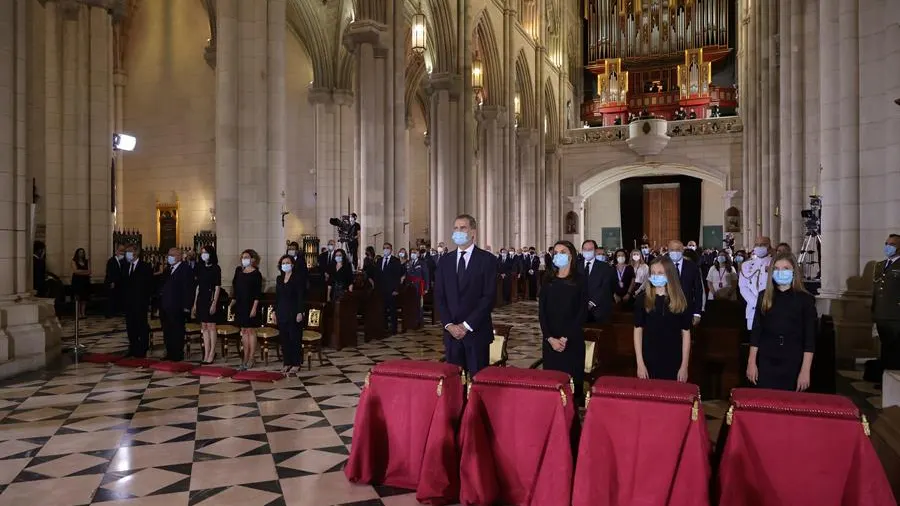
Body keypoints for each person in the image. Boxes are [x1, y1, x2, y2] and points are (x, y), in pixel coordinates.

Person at [434, 214, 497, 376]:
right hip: (451, 335)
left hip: (476, 333)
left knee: (477, 383)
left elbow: (488, 297)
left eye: (463, 228)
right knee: (454, 383)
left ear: (473, 232)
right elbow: (440, 296)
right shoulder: (445, 261)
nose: (458, 231)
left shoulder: (487, 260)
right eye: (456, 228)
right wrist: (449, 325)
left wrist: (466, 325)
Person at [746, 253, 817, 391]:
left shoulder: (805, 300)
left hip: (793, 359)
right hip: (767, 358)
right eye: (776, 269)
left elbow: (810, 340)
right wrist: (751, 362)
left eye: (785, 268)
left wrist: (805, 370)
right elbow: (756, 332)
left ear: (793, 271)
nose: (780, 272)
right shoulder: (764, 296)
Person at [539, 240, 588, 402]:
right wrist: (549, 338)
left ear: (571, 256)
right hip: (550, 341)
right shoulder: (548, 280)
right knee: (553, 388)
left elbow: (581, 313)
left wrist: (565, 337)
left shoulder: (580, 280)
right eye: (556, 253)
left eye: (563, 252)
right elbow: (542, 313)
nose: (559, 255)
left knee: (572, 389)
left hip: (571, 341)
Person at [633, 257, 693, 381]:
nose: (656, 276)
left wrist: (684, 366)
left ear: (669, 274)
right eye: (653, 273)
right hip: (649, 357)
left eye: (660, 273)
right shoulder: (642, 299)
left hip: (673, 357)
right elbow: (638, 331)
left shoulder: (681, 300)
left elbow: (686, 333)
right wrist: (640, 363)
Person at [159, 248, 194, 361]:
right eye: (168, 255)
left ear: (179, 256)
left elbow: (188, 289)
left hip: (178, 306)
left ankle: (177, 354)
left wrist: (187, 306)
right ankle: (169, 352)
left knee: (177, 331)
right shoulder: (168, 269)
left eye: (172, 255)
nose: (169, 257)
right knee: (167, 331)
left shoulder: (185, 269)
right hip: (166, 306)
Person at [230, 249, 263, 370]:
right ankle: (245, 357)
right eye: (243, 257)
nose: (244, 259)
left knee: (251, 331)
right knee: (243, 331)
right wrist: (232, 302)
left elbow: (257, 294)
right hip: (240, 305)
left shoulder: (256, 274)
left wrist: (254, 308)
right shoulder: (239, 271)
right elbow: (235, 287)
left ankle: (251, 357)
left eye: (247, 257)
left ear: (253, 259)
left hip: (251, 305)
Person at [274, 254, 306, 374]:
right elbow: (277, 297)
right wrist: (274, 312)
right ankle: (287, 362)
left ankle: (296, 363)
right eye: (283, 263)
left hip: (294, 311)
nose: (285, 265)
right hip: (282, 311)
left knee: (295, 338)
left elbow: (300, 296)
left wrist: (300, 312)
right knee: (284, 339)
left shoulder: (297, 278)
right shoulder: (279, 278)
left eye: (287, 263)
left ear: (292, 264)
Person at [873, 234, 900, 375]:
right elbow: (876, 291)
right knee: (885, 347)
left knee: (895, 349)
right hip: (881, 313)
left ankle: (892, 377)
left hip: (895, 315)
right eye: (886, 243)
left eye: (892, 244)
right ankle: (884, 376)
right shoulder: (880, 265)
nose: (888, 247)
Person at [192, 245, 222, 364]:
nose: (203, 254)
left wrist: (214, 303)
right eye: (202, 252)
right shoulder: (200, 267)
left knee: (211, 326)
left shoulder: (216, 268)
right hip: (201, 299)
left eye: (206, 252)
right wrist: (194, 303)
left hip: (211, 299)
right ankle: (206, 352)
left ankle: (212, 352)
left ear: (211, 254)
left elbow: (217, 286)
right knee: (204, 326)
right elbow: (197, 286)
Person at [123, 245, 153, 357]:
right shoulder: (125, 266)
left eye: (129, 251)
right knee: (130, 326)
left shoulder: (145, 266)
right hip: (128, 302)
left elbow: (149, 285)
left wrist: (146, 300)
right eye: (126, 252)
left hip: (140, 302)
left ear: (136, 252)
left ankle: (142, 348)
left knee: (141, 325)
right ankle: (133, 347)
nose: (127, 254)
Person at [739, 236, 773, 330]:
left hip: (771, 308)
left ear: (769, 246)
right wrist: (756, 303)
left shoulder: (775, 263)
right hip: (752, 309)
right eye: (757, 244)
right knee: (755, 339)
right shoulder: (746, 265)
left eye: (763, 244)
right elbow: (743, 287)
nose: (760, 247)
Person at [667, 240, 704, 325]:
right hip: (667, 309)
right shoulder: (663, 266)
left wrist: (697, 312)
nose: (675, 252)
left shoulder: (692, 266)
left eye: (677, 249)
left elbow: (698, 290)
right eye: (672, 250)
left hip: (687, 310)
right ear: (668, 251)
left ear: (683, 250)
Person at [579, 240, 614, 324]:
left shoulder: (605, 267)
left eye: (590, 249)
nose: (587, 251)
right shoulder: (576, 266)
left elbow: (605, 287)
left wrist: (591, 303)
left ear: (595, 251)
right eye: (585, 249)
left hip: (599, 310)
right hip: (579, 309)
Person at [376, 243, 404, 335]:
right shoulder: (379, 260)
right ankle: (384, 327)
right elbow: (378, 275)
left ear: (391, 249)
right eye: (384, 248)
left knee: (392, 310)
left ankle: (393, 329)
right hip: (382, 289)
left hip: (392, 289)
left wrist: (396, 289)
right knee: (383, 309)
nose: (385, 250)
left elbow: (397, 276)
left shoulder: (395, 261)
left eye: (387, 248)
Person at [406, 248, 429, 325]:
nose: (413, 254)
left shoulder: (422, 263)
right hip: (410, 286)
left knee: (419, 304)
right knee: (411, 304)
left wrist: (426, 287)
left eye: (415, 252)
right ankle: (412, 320)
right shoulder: (408, 263)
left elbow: (426, 275)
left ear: (418, 254)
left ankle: (419, 321)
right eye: (412, 252)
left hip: (419, 285)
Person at [105, 244, 127, 317]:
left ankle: (119, 311)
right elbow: (109, 272)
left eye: (123, 251)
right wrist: (112, 282)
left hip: (121, 283)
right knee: (111, 298)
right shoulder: (111, 261)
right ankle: (110, 313)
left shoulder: (124, 261)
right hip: (113, 282)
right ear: (116, 251)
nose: (122, 253)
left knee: (120, 297)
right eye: (121, 251)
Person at [71, 248, 91, 318]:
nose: (81, 254)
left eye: (82, 252)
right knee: (78, 298)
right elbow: (75, 271)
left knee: (84, 299)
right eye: (80, 252)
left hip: (85, 281)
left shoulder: (86, 261)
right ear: (77, 253)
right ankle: (78, 313)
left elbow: (89, 271)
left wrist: (80, 271)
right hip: (77, 281)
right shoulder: (74, 261)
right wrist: (84, 272)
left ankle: (83, 313)